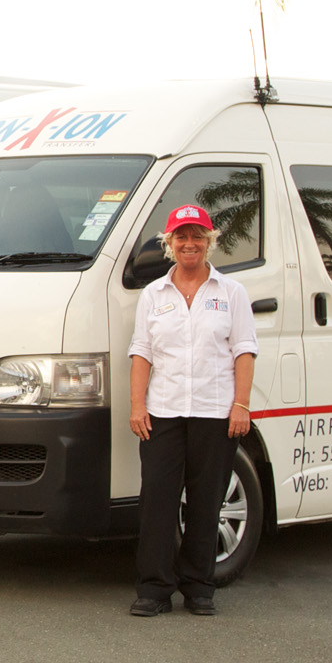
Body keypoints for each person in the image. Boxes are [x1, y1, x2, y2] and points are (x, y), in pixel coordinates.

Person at [126, 202, 257, 617]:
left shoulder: (231, 293)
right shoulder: (153, 294)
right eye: (181, 237)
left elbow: (244, 351)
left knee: (205, 502)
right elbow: (142, 352)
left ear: (209, 242)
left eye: (197, 236)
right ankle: (154, 589)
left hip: (214, 413)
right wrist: (137, 405)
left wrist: (241, 405)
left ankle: (200, 588)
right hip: (162, 412)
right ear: (169, 243)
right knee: (158, 503)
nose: (189, 244)